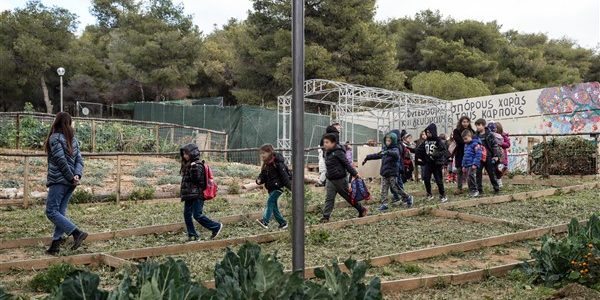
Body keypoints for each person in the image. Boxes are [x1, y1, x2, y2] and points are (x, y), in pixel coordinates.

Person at [44, 112, 87, 256]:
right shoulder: (73, 139)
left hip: (60, 180)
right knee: (60, 212)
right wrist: (76, 175)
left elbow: (60, 160)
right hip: (71, 181)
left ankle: (76, 233)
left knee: (51, 211)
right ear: (68, 123)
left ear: (57, 122)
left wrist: (70, 177)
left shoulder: (55, 138)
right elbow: (79, 161)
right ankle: (55, 245)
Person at [320, 133, 368, 223]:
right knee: (329, 198)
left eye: (327, 142)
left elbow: (346, 164)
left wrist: (355, 174)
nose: (325, 144)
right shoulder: (327, 152)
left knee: (348, 197)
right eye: (324, 142)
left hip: (340, 180)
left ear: (333, 143)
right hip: (330, 180)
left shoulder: (338, 152)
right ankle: (326, 217)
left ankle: (362, 209)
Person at [180, 143, 223, 242]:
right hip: (189, 195)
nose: (185, 156)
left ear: (193, 153)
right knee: (187, 214)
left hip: (197, 195)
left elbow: (197, 180)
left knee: (197, 215)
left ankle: (216, 226)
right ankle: (192, 234)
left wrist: (193, 168)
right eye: (183, 154)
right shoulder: (188, 165)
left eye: (186, 153)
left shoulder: (198, 165)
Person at [363, 132, 414, 211]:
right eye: (386, 140)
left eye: (389, 141)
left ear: (393, 141)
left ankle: (408, 197)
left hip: (392, 173)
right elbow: (378, 155)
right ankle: (384, 204)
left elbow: (396, 154)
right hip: (384, 172)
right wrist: (367, 157)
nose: (387, 142)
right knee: (384, 189)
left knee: (396, 188)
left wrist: (388, 152)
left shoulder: (395, 149)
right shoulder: (385, 149)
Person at [255, 144, 290, 229]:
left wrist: (290, 187)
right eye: (261, 153)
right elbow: (262, 175)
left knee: (270, 202)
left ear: (270, 152)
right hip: (271, 188)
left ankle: (265, 221)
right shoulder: (266, 164)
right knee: (274, 207)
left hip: (279, 187)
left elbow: (284, 176)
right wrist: (259, 180)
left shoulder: (277, 163)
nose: (262, 155)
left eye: (264, 153)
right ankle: (283, 223)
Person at [416, 123, 448, 203]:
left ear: (433, 132)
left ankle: (442, 195)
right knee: (426, 178)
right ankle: (429, 194)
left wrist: (435, 154)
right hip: (428, 164)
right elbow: (419, 149)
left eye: (429, 132)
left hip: (436, 164)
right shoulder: (426, 141)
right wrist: (422, 158)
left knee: (438, 180)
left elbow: (443, 151)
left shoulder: (438, 141)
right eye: (427, 133)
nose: (428, 134)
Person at [474, 119, 501, 195]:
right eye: (476, 125)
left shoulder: (489, 134)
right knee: (478, 173)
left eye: (479, 125)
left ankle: (496, 188)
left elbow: (494, 145)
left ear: (484, 125)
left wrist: (495, 155)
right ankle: (479, 190)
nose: (478, 127)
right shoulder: (475, 136)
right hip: (479, 157)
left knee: (491, 173)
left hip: (488, 157)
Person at [452, 116, 475, 194]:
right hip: (460, 153)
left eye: (467, 122)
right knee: (459, 171)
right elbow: (459, 141)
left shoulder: (471, 131)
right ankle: (459, 187)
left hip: (470, 153)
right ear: (461, 122)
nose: (465, 123)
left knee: (470, 171)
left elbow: (474, 139)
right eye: (463, 122)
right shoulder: (456, 131)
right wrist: (468, 141)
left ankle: (471, 187)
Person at [316, 123, 342, 187]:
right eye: (338, 128)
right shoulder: (335, 135)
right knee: (326, 169)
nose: (339, 129)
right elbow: (336, 145)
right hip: (329, 153)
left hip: (325, 152)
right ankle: (322, 181)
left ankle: (323, 181)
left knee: (325, 168)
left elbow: (322, 144)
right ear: (334, 127)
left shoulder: (325, 135)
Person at [461, 130, 483, 198]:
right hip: (467, 164)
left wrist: (475, 164)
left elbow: (478, 154)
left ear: (470, 136)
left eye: (466, 139)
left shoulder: (476, 144)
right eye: (464, 139)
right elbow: (465, 156)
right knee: (468, 178)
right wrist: (463, 165)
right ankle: (471, 191)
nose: (465, 141)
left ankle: (475, 190)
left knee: (471, 176)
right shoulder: (466, 145)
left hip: (472, 164)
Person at [488, 122, 510, 187]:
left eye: (496, 129)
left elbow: (508, 144)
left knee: (499, 168)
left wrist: (500, 143)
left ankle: (499, 180)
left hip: (502, 154)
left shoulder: (503, 135)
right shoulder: (491, 135)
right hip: (494, 155)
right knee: (494, 168)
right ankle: (496, 182)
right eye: (493, 129)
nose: (494, 130)